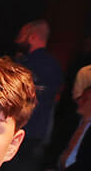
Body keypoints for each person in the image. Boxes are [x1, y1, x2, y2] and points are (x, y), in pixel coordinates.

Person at [14, 20, 64, 150]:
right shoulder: (54, 65)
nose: (17, 41)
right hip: (37, 129)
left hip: (23, 127)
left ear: (32, 37)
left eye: (21, 36)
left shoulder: (29, 64)